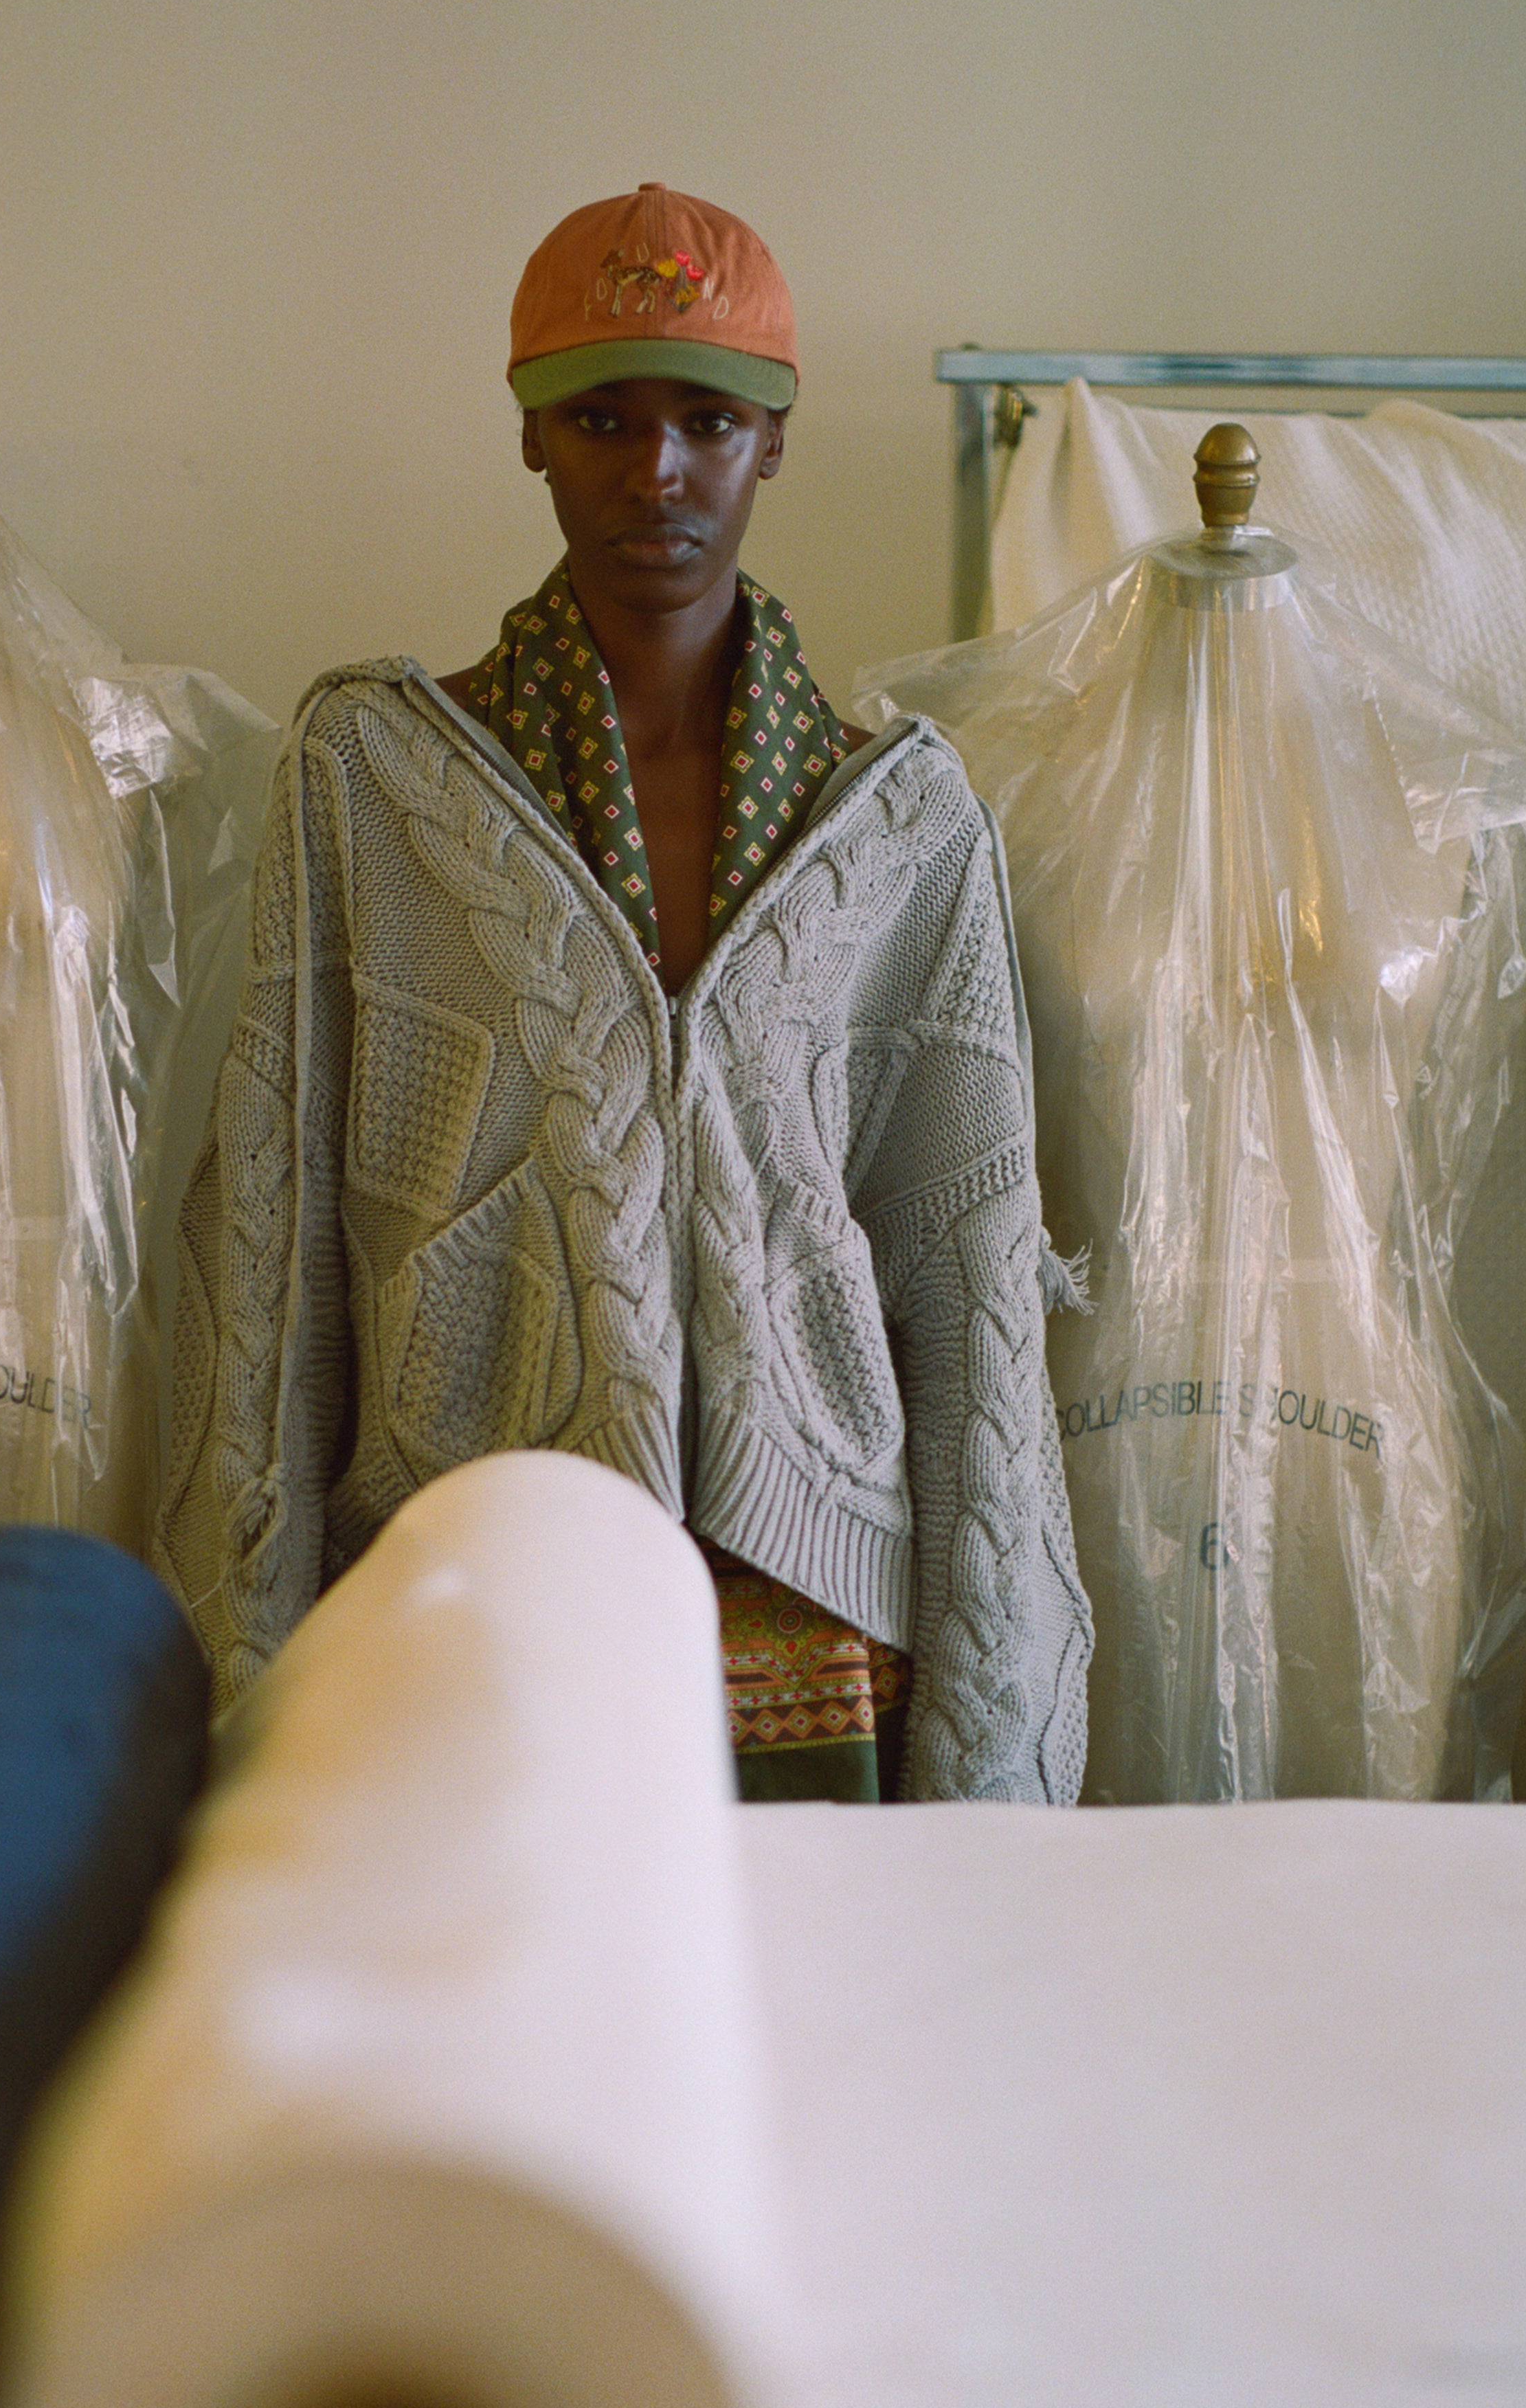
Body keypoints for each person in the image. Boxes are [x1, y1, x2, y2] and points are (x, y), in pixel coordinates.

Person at [158, 183, 1090, 1801]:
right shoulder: (379, 780)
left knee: (827, 2037)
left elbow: (972, 1278)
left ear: (774, 443)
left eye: (708, 423)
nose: (656, 473)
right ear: (530, 435)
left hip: (818, 1615)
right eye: (602, 418)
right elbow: (280, 1248)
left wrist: (990, 1725)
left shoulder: (904, 823)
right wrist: (252, 1656)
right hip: (472, 1580)